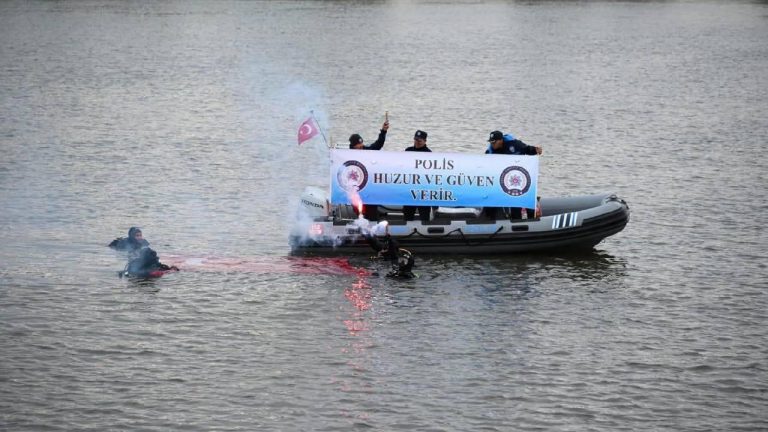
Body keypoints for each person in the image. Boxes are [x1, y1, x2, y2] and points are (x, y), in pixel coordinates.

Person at [485, 130, 543, 220]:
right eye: (491, 142)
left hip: (521, 178)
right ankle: (515, 223)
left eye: (494, 142)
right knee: (515, 207)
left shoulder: (515, 144)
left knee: (528, 204)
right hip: (506, 181)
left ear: (500, 140)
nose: (492, 144)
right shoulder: (490, 151)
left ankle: (532, 221)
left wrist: (535, 150)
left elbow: (527, 149)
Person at [349, 120, 390, 220]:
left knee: (372, 212)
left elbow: (378, 144)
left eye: (361, 144)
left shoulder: (367, 150)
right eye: (358, 146)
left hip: (370, 188)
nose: (361, 146)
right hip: (357, 190)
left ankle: (373, 229)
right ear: (353, 146)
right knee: (360, 212)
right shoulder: (347, 156)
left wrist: (383, 131)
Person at [403, 130, 433, 223]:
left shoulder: (429, 153)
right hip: (410, 187)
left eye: (419, 140)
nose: (417, 142)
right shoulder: (408, 151)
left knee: (424, 214)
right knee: (408, 214)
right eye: (415, 139)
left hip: (423, 189)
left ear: (425, 141)